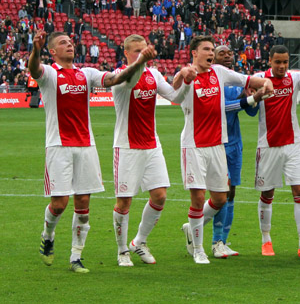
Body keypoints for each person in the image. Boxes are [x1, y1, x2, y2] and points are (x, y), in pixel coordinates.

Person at [30, 30, 156, 273]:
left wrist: (139, 62)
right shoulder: (49, 73)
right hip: (58, 146)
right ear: (52, 51)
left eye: (70, 41)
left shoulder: (86, 74)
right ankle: (48, 235)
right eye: (63, 43)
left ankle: (76, 256)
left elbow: (116, 79)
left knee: (83, 202)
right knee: (59, 204)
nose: (69, 44)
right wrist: (36, 50)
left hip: (86, 146)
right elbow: (34, 70)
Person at [179, 35, 272, 264]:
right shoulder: (189, 76)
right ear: (195, 53)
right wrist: (250, 99)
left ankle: (204, 232)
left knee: (224, 196)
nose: (219, 55)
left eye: (217, 51)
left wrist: (264, 85)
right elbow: (223, 107)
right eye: (212, 50)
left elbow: (250, 88)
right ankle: (201, 248)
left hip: (224, 144)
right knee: (199, 197)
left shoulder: (222, 75)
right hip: (195, 145)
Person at [111, 35, 196, 267]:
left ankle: (139, 241)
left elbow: (175, 96)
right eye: (136, 51)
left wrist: (186, 81)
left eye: (144, 50)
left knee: (160, 196)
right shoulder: (120, 75)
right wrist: (140, 62)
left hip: (151, 144)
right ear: (126, 53)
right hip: (127, 147)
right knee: (124, 202)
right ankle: (122, 251)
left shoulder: (154, 75)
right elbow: (130, 81)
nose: (142, 54)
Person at [252, 38, 300, 258]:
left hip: (293, 144)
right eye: (278, 62)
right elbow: (245, 97)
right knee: (268, 193)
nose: (282, 66)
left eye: (285, 62)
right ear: (270, 61)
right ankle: (266, 240)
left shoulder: (294, 78)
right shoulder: (259, 79)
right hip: (268, 145)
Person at [210, 45, 261, 259]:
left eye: (230, 53)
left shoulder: (237, 82)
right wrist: (247, 97)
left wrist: (254, 97)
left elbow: (251, 112)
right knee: (220, 193)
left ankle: (222, 240)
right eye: (222, 53)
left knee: (231, 193)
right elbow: (224, 107)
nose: (227, 56)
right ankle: (214, 240)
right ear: (213, 58)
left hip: (234, 144)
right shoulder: (212, 83)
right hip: (216, 143)